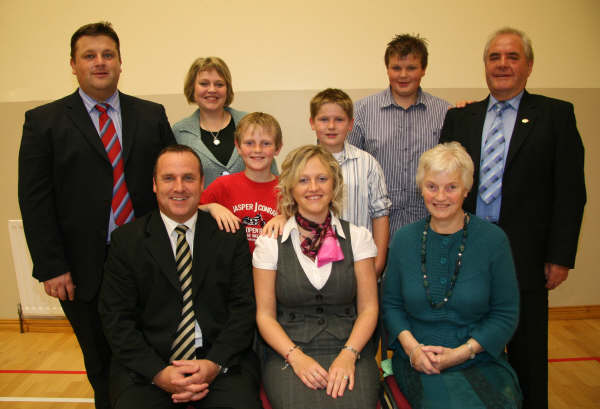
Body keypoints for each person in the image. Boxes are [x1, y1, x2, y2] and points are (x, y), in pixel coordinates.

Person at [17, 22, 175, 409]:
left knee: (156, 349)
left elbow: (172, 182)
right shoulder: (44, 122)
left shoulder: (150, 115)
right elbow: (35, 200)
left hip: (148, 256)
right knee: (101, 359)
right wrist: (52, 266)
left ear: (121, 63)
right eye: (89, 56)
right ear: (73, 64)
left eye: (108, 55)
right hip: (83, 267)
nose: (100, 62)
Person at [439, 27, 586, 409]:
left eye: (512, 56)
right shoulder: (462, 118)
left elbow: (570, 192)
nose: (502, 64)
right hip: (465, 254)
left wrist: (560, 255)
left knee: (528, 352)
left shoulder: (555, 115)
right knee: (465, 347)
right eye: (494, 57)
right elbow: (442, 186)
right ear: (484, 65)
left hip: (527, 257)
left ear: (529, 65)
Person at [99, 145, 261, 409]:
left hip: (219, 360)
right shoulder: (127, 242)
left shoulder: (230, 237)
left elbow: (243, 310)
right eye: (168, 178)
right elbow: (116, 319)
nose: (179, 187)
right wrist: (158, 373)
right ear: (154, 184)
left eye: (188, 178)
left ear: (201, 183)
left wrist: (212, 365)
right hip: (150, 365)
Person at [382, 142, 522, 409]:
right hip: (417, 360)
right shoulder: (403, 239)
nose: (441, 196)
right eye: (432, 186)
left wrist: (462, 353)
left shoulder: (494, 240)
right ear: (421, 188)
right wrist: (412, 350)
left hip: (478, 357)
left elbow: (505, 313)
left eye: (451, 187)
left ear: (467, 190)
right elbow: (391, 305)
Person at [253, 145, 380, 409]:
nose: (313, 187)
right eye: (303, 180)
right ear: (290, 188)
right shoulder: (270, 243)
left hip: (350, 347)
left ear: (334, 186)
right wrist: (296, 357)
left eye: (322, 179)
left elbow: (368, 309)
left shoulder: (357, 238)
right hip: (289, 351)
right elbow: (265, 315)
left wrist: (349, 354)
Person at [347, 34, 451, 236]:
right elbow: (348, 170)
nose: (403, 75)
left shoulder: (445, 113)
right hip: (373, 229)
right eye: (396, 68)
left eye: (411, 68)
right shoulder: (361, 112)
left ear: (423, 70)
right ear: (387, 69)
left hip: (429, 227)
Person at [172, 57, 277, 188]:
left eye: (219, 84)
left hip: (253, 207)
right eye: (204, 83)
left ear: (227, 89)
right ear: (192, 88)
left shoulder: (250, 124)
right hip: (203, 207)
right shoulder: (180, 132)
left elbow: (272, 174)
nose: (212, 90)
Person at [199, 112, 282, 252]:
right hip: (232, 268)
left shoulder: (287, 189)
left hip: (274, 269)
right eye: (249, 143)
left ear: (278, 148)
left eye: (266, 143)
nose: (257, 150)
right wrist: (211, 207)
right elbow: (190, 211)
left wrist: (287, 218)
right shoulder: (222, 185)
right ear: (238, 147)